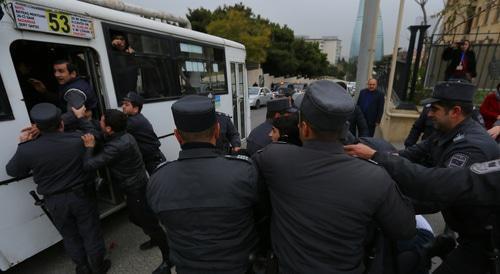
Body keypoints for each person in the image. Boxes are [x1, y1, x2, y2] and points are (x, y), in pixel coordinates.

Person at [253, 80, 416, 273]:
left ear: (304, 128)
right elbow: (405, 230)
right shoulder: (375, 176)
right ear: (345, 129)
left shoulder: (273, 158)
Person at [356, 81, 500, 274]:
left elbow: (436, 189)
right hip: (468, 230)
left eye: (435, 108)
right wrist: (373, 156)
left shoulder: (471, 147)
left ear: (455, 111)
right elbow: (409, 154)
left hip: (485, 241)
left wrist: (387, 200)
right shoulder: (446, 132)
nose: (429, 113)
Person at [147, 95, 260, 273]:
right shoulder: (244, 171)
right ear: (217, 130)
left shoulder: (158, 179)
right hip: (239, 266)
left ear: (177, 136)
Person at [6, 103, 109, 274]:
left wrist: (22, 145)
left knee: (69, 235)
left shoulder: (28, 149)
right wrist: (81, 118)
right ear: (61, 124)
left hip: (55, 201)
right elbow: (97, 136)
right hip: (81, 195)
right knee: (90, 231)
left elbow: (13, 171)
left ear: (36, 127)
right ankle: (98, 266)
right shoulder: (78, 140)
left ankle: (82, 268)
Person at [80, 110, 171, 274]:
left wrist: (89, 147)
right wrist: (86, 120)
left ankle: (168, 257)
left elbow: (89, 165)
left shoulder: (117, 146)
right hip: (135, 186)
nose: (99, 123)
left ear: (109, 129)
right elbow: (100, 132)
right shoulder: (122, 135)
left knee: (150, 224)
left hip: (135, 189)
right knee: (135, 218)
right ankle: (154, 236)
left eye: (101, 121)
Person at [121, 92, 166, 175]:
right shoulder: (135, 118)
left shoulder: (133, 122)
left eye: (127, 105)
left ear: (135, 109)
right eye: (123, 104)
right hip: (152, 158)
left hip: (153, 160)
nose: (123, 106)